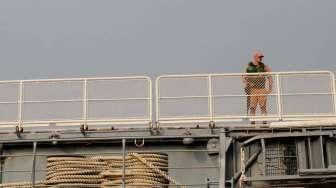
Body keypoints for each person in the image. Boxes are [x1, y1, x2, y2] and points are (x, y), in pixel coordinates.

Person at [243, 50, 272, 124]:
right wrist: (248, 84)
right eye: (259, 57)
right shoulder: (249, 67)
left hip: (262, 89)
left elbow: (270, 77)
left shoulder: (264, 66)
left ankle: (264, 122)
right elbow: (244, 77)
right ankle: (252, 122)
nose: (261, 58)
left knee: (263, 106)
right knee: (252, 107)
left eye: (261, 57)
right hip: (252, 90)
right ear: (255, 57)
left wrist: (270, 88)